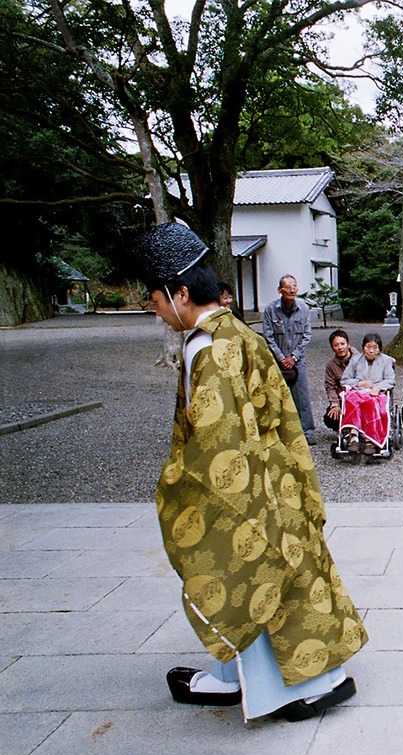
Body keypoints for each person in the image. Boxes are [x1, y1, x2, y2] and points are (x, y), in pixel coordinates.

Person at [135, 223, 364, 723]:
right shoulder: (240, 331)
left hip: (245, 484)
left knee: (247, 575)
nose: (153, 309)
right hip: (276, 474)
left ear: (179, 293)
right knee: (295, 573)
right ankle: (279, 677)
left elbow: (217, 440)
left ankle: (279, 685)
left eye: (154, 299)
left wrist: (180, 484)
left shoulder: (206, 347)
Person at [262, 274, 315, 443]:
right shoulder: (270, 309)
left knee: (302, 396)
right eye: (288, 286)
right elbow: (268, 336)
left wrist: (293, 357)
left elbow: (307, 336)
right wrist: (281, 357)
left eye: (294, 286)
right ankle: (278, 432)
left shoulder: (304, 308)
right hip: (277, 360)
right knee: (276, 396)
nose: (292, 289)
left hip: (297, 360)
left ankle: (307, 431)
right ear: (280, 290)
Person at [340, 332, 396, 456]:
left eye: (375, 348)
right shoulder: (355, 360)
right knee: (352, 400)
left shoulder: (386, 360)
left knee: (371, 402)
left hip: (376, 392)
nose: (371, 351)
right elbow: (345, 379)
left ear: (379, 349)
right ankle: (353, 435)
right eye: (368, 347)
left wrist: (378, 387)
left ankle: (370, 440)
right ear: (363, 347)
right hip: (358, 391)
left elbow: (390, 380)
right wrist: (359, 383)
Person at [323, 329, 357, 433]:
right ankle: (345, 431)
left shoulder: (361, 360)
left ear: (348, 344)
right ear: (332, 348)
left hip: (359, 399)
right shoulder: (331, 365)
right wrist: (335, 404)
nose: (340, 347)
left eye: (342, 344)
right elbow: (330, 386)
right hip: (342, 400)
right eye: (336, 345)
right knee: (330, 418)